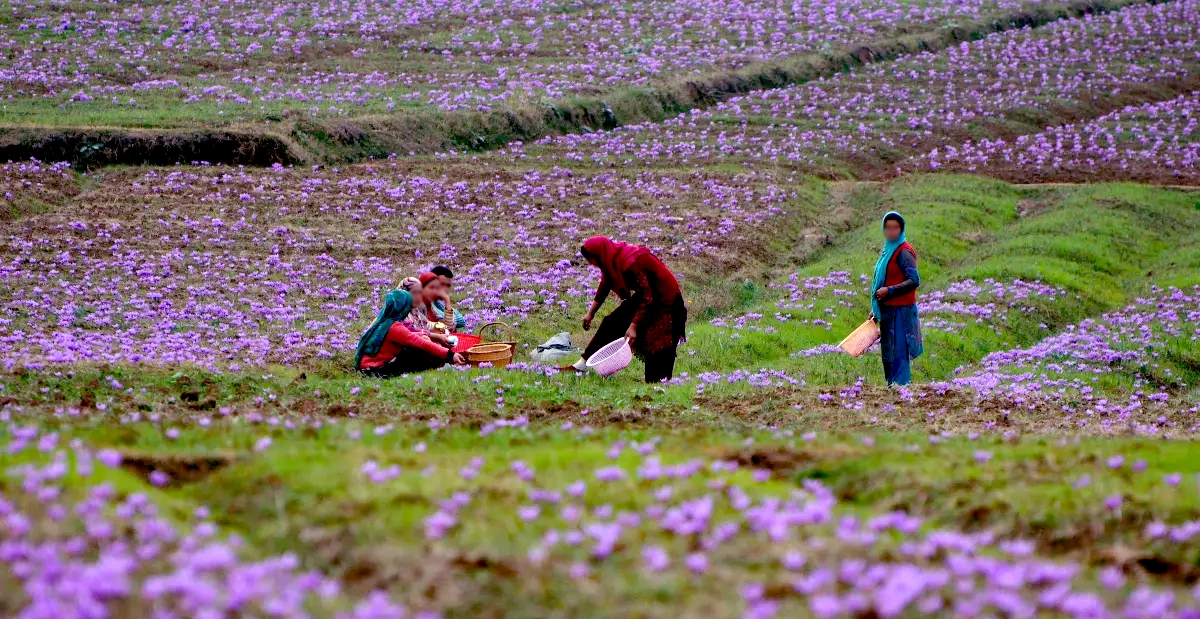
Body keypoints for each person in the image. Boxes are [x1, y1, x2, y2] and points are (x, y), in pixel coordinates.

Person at [571, 236, 687, 383]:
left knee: (656, 343)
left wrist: (633, 326)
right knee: (612, 322)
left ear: (599, 255)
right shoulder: (611, 259)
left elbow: (647, 298)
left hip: (665, 298)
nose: (591, 264)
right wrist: (590, 313)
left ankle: (662, 380)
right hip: (649, 294)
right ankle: (582, 364)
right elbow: (605, 284)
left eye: (591, 260)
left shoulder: (630, 263)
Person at [355, 290, 466, 377]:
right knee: (420, 351)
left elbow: (411, 336)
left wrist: (424, 336)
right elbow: (421, 343)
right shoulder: (394, 327)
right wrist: (450, 356)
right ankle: (444, 366)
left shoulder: (383, 321)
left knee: (420, 342)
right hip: (377, 370)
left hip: (366, 368)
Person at [869, 211, 923, 386]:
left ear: (901, 229)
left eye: (896, 227)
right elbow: (883, 279)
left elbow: (914, 280)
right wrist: (876, 307)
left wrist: (889, 291)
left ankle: (901, 390)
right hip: (887, 311)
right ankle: (892, 389)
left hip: (901, 311)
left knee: (899, 353)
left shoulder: (904, 252)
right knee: (888, 354)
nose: (892, 231)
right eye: (888, 227)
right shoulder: (888, 251)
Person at [431, 265, 468, 331]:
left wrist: (454, 321)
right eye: (442, 284)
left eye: (448, 286)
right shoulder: (427, 304)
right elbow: (448, 325)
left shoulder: (437, 303)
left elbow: (461, 321)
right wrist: (447, 300)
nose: (445, 289)